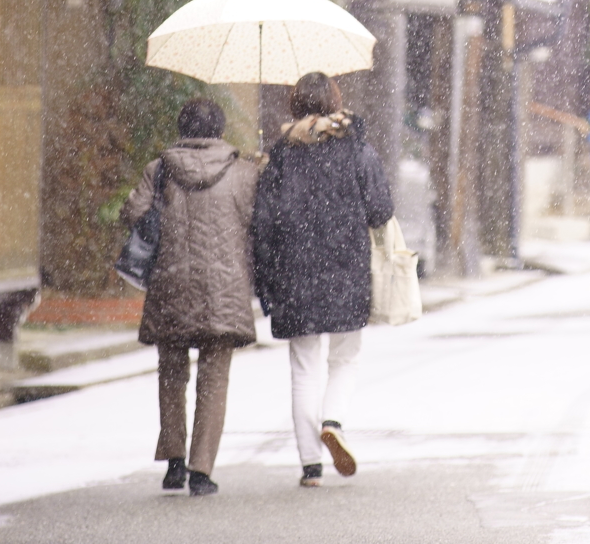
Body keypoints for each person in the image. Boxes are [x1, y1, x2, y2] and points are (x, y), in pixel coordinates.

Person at [252, 72, 394, 487]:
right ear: (336, 103)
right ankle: (333, 420)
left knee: (304, 368)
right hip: (346, 268)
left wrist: (265, 278)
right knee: (345, 359)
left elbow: (262, 225)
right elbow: (381, 210)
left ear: (294, 106)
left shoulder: (280, 156)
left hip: (293, 272)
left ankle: (311, 466)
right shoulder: (357, 151)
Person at [122, 97, 259, 496]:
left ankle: (173, 462)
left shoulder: (160, 169)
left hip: (172, 283)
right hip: (224, 288)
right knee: (214, 379)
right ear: (219, 130)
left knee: (171, 374)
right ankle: (202, 469)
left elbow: (133, 213)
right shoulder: (243, 172)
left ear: (183, 129)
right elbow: (258, 221)